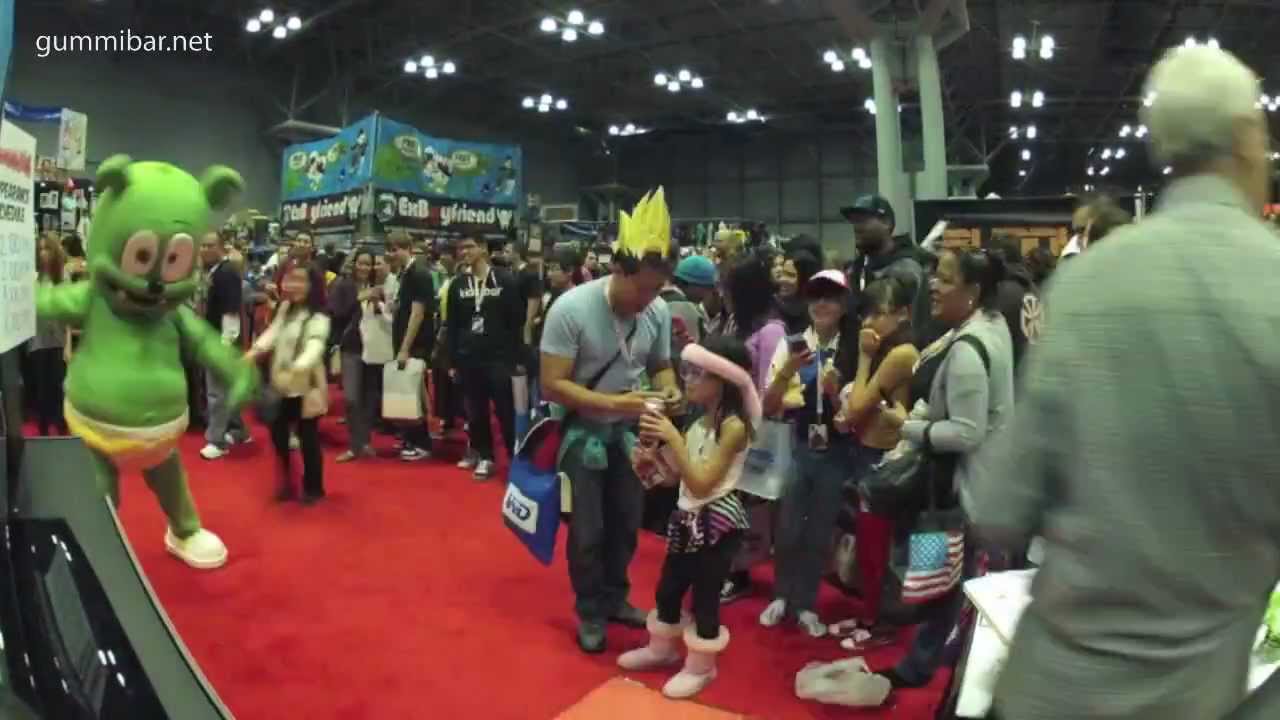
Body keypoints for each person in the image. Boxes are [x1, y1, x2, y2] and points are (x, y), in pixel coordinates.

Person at [972, 45, 1280, 720]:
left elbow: (998, 502)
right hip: (1197, 697)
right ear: (1248, 140)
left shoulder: (1088, 283)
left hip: (1053, 687)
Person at [540, 188, 682, 654]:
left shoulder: (656, 311)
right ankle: (590, 611)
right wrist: (618, 404)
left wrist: (670, 387)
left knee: (626, 523)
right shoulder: (570, 309)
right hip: (581, 437)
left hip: (630, 437)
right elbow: (552, 385)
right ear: (617, 270)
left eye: (657, 289)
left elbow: (660, 364)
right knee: (587, 530)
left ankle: (617, 598)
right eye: (642, 287)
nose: (650, 298)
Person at [874, 246, 1014, 694]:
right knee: (951, 584)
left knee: (948, 581)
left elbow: (967, 432)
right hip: (974, 485)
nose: (933, 284)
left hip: (961, 490)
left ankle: (944, 670)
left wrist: (908, 427)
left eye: (946, 278)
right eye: (935, 274)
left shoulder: (969, 348)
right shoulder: (989, 327)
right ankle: (926, 662)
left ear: (973, 291)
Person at [618, 336, 761, 699]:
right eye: (688, 371)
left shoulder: (734, 427)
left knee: (705, 597)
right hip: (687, 518)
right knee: (668, 588)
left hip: (718, 522)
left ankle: (702, 667)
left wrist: (671, 438)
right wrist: (650, 464)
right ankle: (662, 649)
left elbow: (701, 483)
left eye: (698, 373)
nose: (688, 380)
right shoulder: (699, 423)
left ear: (723, 379)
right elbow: (678, 479)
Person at [758, 269, 860, 636]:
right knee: (787, 526)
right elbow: (768, 404)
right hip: (799, 444)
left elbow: (858, 414)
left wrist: (834, 393)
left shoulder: (855, 348)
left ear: (844, 303)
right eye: (815, 296)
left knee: (820, 530)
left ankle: (806, 603)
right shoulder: (794, 343)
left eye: (830, 296)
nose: (821, 304)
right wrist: (789, 370)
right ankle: (781, 595)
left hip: (838, 451)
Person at [249, 266, 330, 503]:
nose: (293, 285)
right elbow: (271, 335)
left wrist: (298, 366)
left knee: (308, 438)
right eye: (290, 280)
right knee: (278, 436)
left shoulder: (318, 316)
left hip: (306, 386)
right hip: (281, 384)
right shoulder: (285, 308)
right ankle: (288, 481)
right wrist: (252, 353)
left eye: (300, 281)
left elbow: (315, 346)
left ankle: (314, 488)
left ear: (312, 285)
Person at [447, 236, 524, 480]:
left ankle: (516, 457)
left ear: (482, 249)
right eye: (461, 248)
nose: (464, 252)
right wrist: (453, 360)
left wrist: (516, 358)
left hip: (500, 358)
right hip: (469, 359)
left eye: (469, 247)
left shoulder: (505, 279)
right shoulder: (458, 284)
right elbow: (453, 324)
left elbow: (516, 321)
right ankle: (486, 456)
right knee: (476, 412)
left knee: (505, 411)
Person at [329, 250, 388, 463]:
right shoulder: (342, 285)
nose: (364, 268)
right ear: (353, 264)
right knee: (352, 398)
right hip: (350, 347)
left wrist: (379, 306)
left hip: (374, 348)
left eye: (369, 264)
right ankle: (355, 445)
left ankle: (363, 442)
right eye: (361, 263)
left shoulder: (378, 287)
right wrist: (358, 298)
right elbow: (335, 313)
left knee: (370, 398)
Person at [198, 232, 252, 460]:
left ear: (221, 247)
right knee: (227, 390)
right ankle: (238, 431)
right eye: (202, 245)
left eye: (210, 245)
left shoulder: (226, 273)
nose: (205, 249)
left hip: (222, 341)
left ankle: (217, 441)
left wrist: (224, 345)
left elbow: (231, 312)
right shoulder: (217, 272)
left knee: (216, 392)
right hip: (218, 337)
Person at [387, 230, 435, 461]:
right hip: (404, 341)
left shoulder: (419, 274)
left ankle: (422, 442)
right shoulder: (405, 274)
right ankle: (411, 438)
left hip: (416, 344)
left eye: (394, 249)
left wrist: (405, 347)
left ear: (406, 248)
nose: (391, 254)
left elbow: (418, 314)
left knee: (415, 391)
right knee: (406, 392)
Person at [29, 234, 69, 436]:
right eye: (41, 249)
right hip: (37, 339)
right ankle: (43, 427)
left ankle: (61, 424)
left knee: (59, 385)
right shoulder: (31, 277)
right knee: (42, 386)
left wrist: (69, 345)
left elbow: (69, 313)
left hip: (59, 339)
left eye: (47, 248)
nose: (44, 253)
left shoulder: (63, 276)